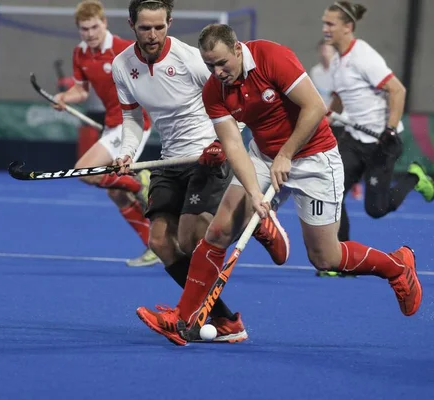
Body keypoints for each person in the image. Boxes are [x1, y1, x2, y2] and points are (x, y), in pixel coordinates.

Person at [136, 23, 423, 346]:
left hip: (316, 158)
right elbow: (232, 144)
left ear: (237, 49)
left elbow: (314, 107)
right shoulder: (214, 91)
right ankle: (183, 317)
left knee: (325, 257)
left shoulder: (272, 57)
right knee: (217, 232)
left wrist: (287, 154)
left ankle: (396, 265)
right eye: (209, 66)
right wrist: (256, 193)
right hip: (262, 156)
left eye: (222, 63)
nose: (217, 72)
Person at [112, 0, 290, 343]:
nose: (153, 35)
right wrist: (126, 152)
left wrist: (225, 142)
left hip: (209, 153)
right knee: (162, 242)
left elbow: (232, 101)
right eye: (145, 27)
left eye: (160, 27)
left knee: (194, 238)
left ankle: (250, 218)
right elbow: (133, 118)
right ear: (131, 24)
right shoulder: (122, 66)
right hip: (170, 158)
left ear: (170, 23)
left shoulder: (189, 58)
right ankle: (225, 322)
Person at [52, 0, 158, 267]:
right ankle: (155, 246)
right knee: (116, 193)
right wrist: (65, 97)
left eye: (94, 27)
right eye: (84, 29)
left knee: (85, 170)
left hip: (134, 122)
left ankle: (140, 183)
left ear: (105, 23)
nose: (90, 33)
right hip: (113, 123)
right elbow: (82, 91)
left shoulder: (125, 49)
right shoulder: (80, 53)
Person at [323, 2, 434, 244]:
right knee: (331, 190)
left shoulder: (364, 56)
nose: (325, 29)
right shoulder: (336, 62)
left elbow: (398, 90)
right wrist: (325, 117)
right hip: (353, 139)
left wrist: (391, 129)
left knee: (377, 209)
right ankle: (341, 256)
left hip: (381, 142)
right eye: (324, 23)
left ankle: (414, 177)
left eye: (330, 24)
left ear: (347, 27)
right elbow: (341, 97)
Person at [310, 38, 360, 278]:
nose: (325, 52)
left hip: (344, 127)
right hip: (326, 125)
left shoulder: (344, 69)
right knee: (335, 191)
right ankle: (339, 254)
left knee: (338, 190)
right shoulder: (316, 72)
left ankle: (341, 255)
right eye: (322, 47)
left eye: (328, 47)